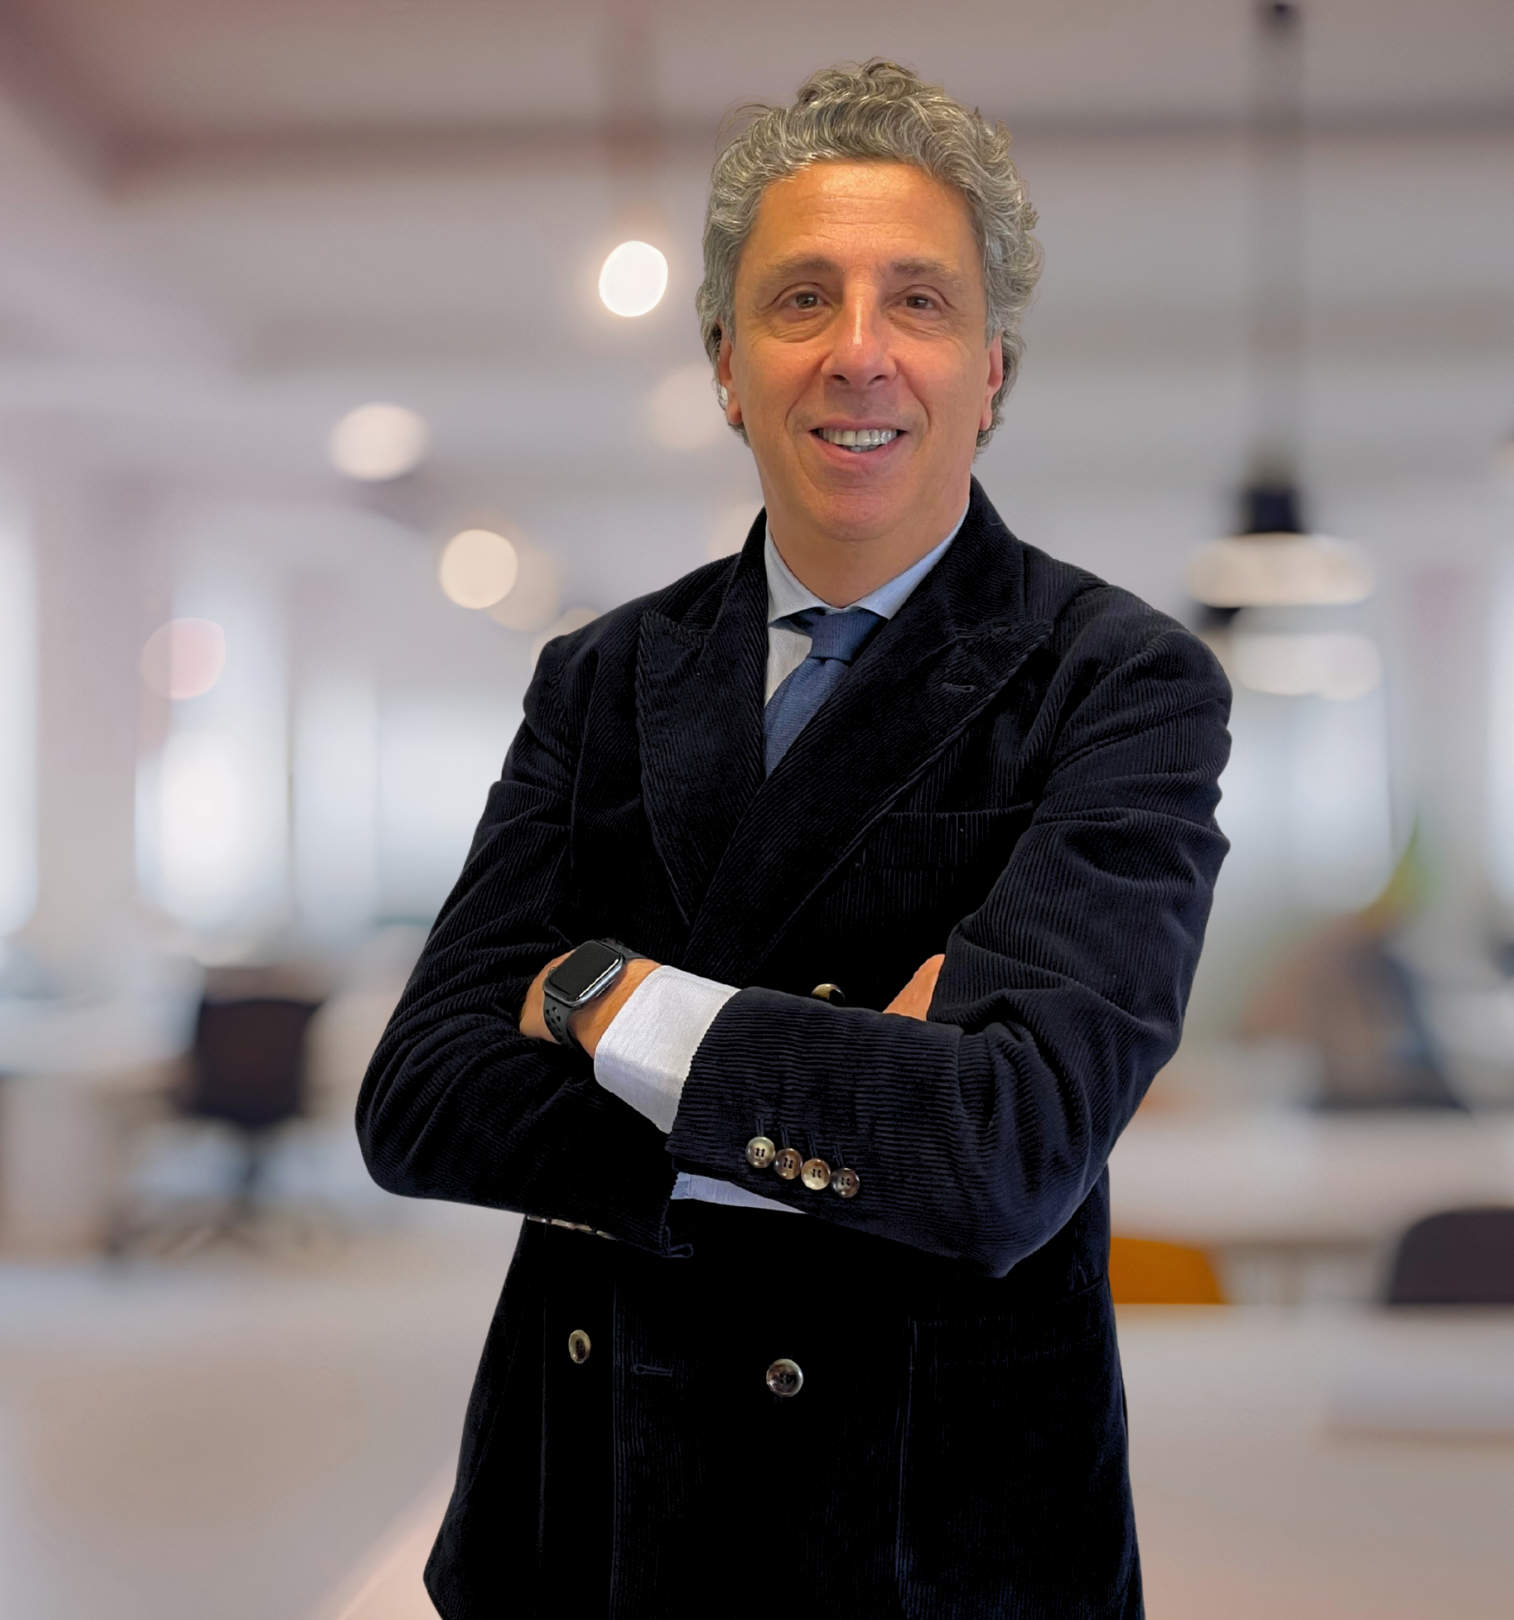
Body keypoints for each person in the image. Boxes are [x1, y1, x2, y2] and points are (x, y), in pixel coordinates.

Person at [359, 60, 1230, 1619]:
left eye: (919, 301)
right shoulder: (600, 675)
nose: (859, 352)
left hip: (926, 1532)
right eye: (801, 299)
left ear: (992, 370)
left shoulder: (1118, 683)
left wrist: (602, 998)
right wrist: (859, 1107)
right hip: (584, 1508)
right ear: (726, 365)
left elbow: (1003, 1149)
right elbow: (419, 1097)